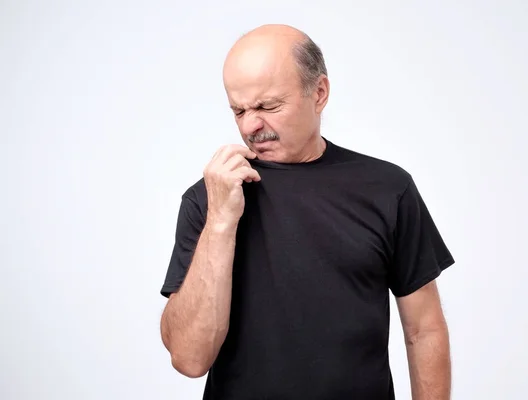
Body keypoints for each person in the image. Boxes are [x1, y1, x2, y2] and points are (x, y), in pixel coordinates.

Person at [159, 24, 455, 400]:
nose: (251, 125)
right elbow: (189, 359)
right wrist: (219, 222)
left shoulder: (388, 188)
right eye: (239, 110)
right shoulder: (208, 198)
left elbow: (424, 329)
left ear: (319, 93)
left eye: (268, 106)